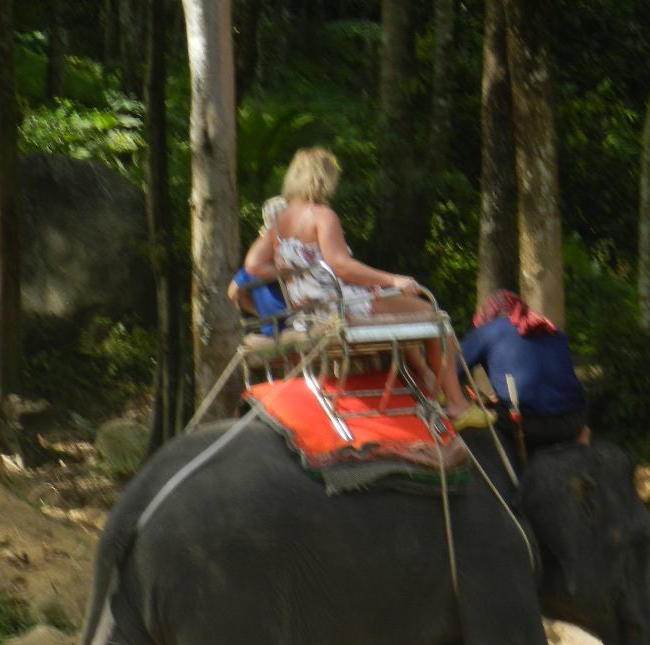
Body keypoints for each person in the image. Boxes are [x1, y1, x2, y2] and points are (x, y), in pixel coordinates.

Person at [247, 146, 487, 426]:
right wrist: (393, 280)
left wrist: (295, 272)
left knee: (408, 313)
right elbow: (341, 266)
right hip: (341, 306)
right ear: (324, 179)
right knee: (436, 317)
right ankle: (457, 404)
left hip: (308, 313)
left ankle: (429, 386)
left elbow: (253, 265)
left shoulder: (279, 220)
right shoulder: (322, 215)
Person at [460, 289, 590, 449]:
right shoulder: (551, 329)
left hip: (528, 423)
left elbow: (451, 370)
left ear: (487, 313)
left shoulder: (487, 331)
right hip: (575, 420)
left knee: (473, 422)